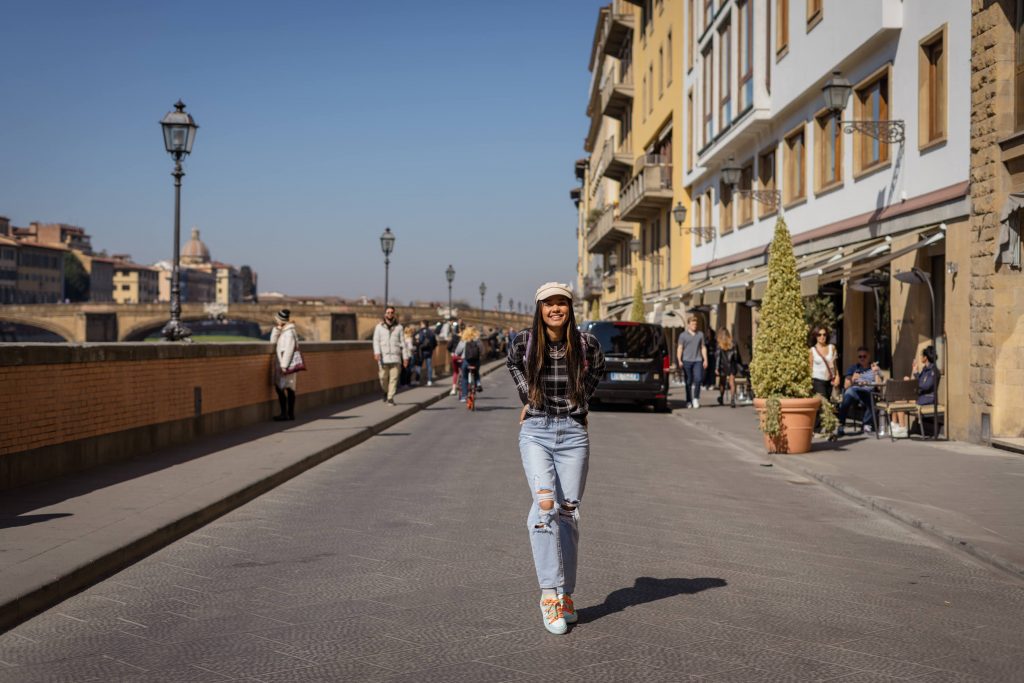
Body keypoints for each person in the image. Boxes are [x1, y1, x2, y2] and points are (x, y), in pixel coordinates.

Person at [507, 282, 605, 636]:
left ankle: (566, 595)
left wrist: (583, 402)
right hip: (536, 430)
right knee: (544, 505)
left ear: (569, 307)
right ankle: (549, 594)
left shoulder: (586, 343)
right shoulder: (524, 341)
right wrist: (527, 394)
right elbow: (512, 362)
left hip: (574, 433)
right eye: (548, 303)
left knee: (568, 512)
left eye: (561, 303)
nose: (555, 309)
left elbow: (598, 368)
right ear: (539, 308)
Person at [892, 345, 940, 437]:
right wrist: (915, 372)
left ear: (925, 357)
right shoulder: (925, 370)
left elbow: (926, 386)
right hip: (920, 397)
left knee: (899, 402)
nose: (920, 357)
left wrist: (911, 381)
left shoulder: (933, 371)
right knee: (898, 399)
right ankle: (895, 425)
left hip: (927, 399)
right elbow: (920, 382)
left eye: (922, 356)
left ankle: (902, 429)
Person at [835, 346, 881, 437]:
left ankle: (866, 424)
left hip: (868, 392)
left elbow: (878, 385)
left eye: (864, 356)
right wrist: (852, 379)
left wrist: (876, 372)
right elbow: (845, 386)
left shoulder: (874, 367)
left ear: (869, 356)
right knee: (847, 397)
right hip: (855, 391)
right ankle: (841, 425)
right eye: (860, 357)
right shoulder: (853, 368)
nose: (862, 358)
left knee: (872, 401)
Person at [372, 306, 409, 405]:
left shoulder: (399, 327)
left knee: (394, 378)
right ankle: (385, 391)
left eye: (391, 312)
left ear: (394, 314)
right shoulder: (379, 327)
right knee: (383, 377)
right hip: (383, 357)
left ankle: (390, 397)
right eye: (388, 312)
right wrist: (377, 352)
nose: (390, 314)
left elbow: (403, 343)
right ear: (385, 314)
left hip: (396, 357)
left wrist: (405, 357)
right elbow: (376, 341)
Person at [809, 326, 839, 432]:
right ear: (815, 336)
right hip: (817, 380)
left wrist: (837, 377)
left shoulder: (832, 347)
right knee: (824, 402)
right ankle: (826, 427)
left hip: (829, 380)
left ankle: (818, 427)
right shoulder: (812, 350)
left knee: (828, 403)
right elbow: (810, 367)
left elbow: (835, 365)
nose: (822, 337)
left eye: (824, 334)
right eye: (819, 335)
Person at [270, 309, 298, 421]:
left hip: (285, 364)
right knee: (288, 388)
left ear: (281, 320)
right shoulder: (285, 331)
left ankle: (285, 414)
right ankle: (289, 414)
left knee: (282, 388)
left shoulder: (289, 332)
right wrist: (277, 330)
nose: (276, 321)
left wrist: (284, 366)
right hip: (284, 363)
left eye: (277, 320)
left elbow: (289, 350)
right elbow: (272, 342)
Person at [677, 316, 708, 408]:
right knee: (688, 382)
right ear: (689, 324)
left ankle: (696, 399)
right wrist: (679, 360)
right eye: (693, 324)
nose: (695, 325)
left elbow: (703, 347)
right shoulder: (683, 335)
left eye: (696, 324)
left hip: (697, 360)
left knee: (698, 379)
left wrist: (705, 359)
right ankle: (688, 400)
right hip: (686, 361)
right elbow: (680, 348)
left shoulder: (700, 335)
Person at [456, 326, 483, 402]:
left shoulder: (463, 340)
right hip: (476, 361)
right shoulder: (477, 340)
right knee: (476, 372)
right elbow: (482, 350)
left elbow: (457, 351)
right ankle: (478, 383)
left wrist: (458, 355)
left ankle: (464, 396)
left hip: (466, 361)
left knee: (464, 377)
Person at [715, 328, 740, 408]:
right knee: (732, 383)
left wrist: (716, 368)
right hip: (732, 365)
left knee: (722, 382)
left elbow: (718, 357)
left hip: (723, 366)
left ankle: (721, 398)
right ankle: (732, 400)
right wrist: (738, 364)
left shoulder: (719, 345)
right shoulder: (733, 344)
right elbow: (736, 356)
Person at [414, 320, 437, 386]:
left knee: (419, 365)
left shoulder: (419, 332)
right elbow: (435, 343)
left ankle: (417, 380)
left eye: (421, 324)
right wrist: (432, 348)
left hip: (421, 351)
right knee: (429, 366)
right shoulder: (431, 332)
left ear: (423, 324)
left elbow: (418, 341)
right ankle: (429, 380)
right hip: (429, 351)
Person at [447, 320, 462, 396]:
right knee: (464, 371)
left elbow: (449, 346)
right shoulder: (464, 337)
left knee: (456, 372)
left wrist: (451, 352)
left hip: (455, 356)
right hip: (463, 357)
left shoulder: (454, 337)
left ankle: (453, 389)